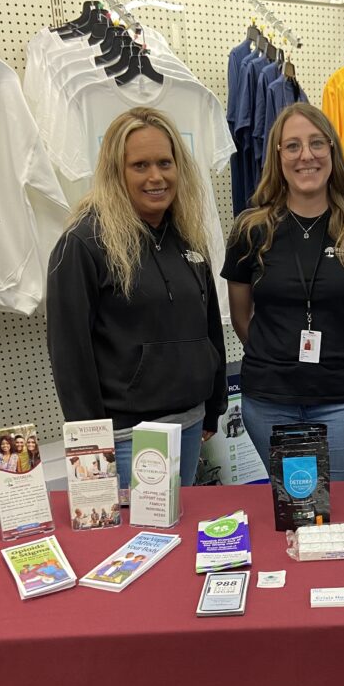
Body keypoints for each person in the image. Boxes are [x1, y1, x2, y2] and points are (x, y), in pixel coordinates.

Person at [46, 107, 227, 487]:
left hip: (191, 424)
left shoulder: (188, 237)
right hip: (130, 437)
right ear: (116, 172)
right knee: (139, 544)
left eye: (165, 162)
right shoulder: (84, 243)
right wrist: (91, 445)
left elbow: (209, 326)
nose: (156, 177)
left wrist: (213, 407)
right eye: (140, 165)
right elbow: (69, 352)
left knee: (177, 537)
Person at [222, 102, 344, 481]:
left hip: (342, 400)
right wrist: (277, 355)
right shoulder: (250, 229)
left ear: (332, 151)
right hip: (269, 400)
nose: (307, 156)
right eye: (293, 146)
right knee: (290, 507)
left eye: (317, 143)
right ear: (278, 155)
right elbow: (241, 317)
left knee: (339, 511)